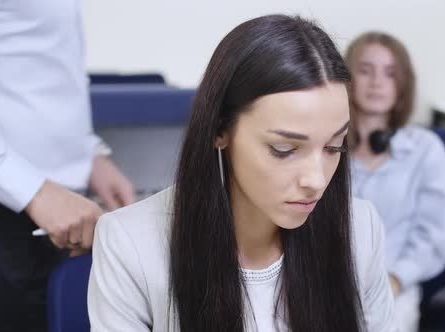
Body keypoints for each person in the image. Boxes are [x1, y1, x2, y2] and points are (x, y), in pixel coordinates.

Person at [87, 15, 399, 332]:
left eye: (334, 147)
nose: (316, 180)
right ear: (220, 130)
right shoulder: (130, 244)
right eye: (284, 149)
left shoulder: (360, 231)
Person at [0, 1, 135, 330]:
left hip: (48, 215)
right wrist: (34, 191)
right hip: (4, 216)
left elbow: (43, 63)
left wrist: (89, 154)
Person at [344, 32, 445, 332]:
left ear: (402, 85)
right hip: (323, 282)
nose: (376, 82)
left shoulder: (425, 149)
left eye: (390, 73)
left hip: (393, 285)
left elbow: (436, 235)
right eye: (365, 70)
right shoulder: (325, 146)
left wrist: (396, 279)